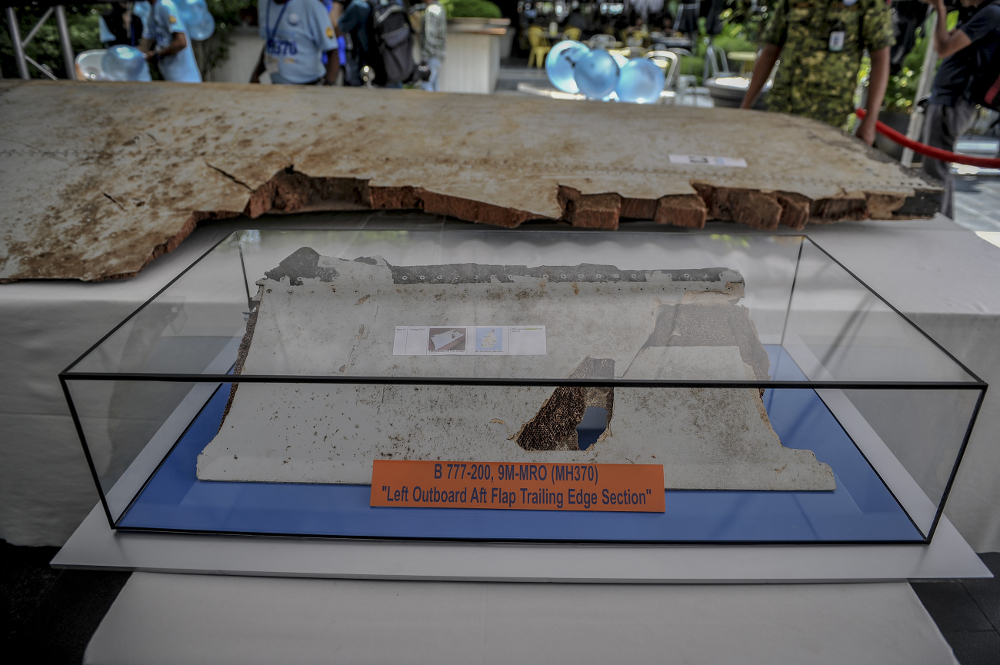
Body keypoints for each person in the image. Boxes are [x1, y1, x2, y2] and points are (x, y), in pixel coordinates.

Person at [741, 0, 895, 146]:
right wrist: (745, 107)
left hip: (828, 116)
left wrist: (870, 121)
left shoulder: (868, 3)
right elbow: (770, 51)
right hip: (782, 108)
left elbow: (880, 59)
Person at [919, 0, 1000, 218]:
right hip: (949, 99)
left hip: (955, 101)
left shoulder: (991, 13)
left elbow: (945, 49)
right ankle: (940, 220)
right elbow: (941, 45)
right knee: (935, 166)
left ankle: (938, 221)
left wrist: (941, 9)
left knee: (936, 169)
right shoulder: (980, 13)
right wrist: (940, 10)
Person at [251, 0, 339, 85]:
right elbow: (271, 41)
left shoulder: (311, 5)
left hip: (309, 85)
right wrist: (255, 75)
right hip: (277, 86)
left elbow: (332, 50)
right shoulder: (264, 3)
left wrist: (328, 84)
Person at [139, 0, 202, 82]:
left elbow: (181, 42)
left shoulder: (166, 5)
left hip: (185, 79)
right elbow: (144, 46)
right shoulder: (151, 14)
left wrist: (157, 55)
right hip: (170, 77)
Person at [420, 0, 447, 91]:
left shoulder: (431, 9)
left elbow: (429, 35)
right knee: (435, 85)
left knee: (426, 84)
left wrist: (425, 57)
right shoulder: (439, 7)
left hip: (431, 53)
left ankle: (427, 105)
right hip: (439, 52)